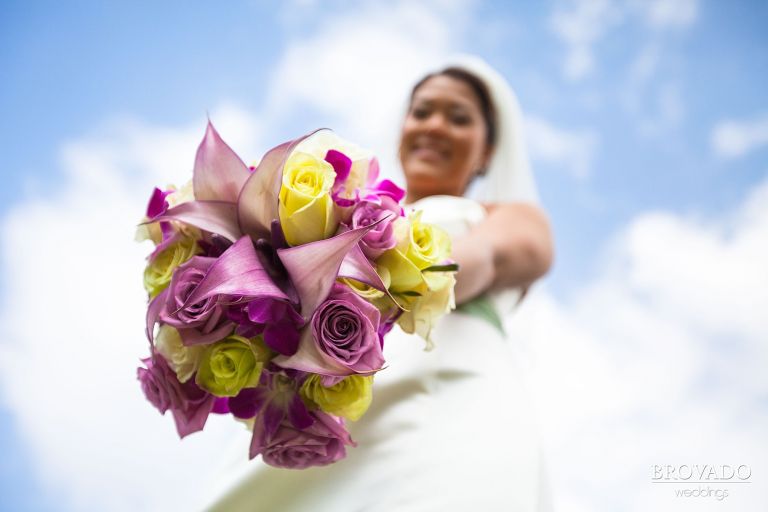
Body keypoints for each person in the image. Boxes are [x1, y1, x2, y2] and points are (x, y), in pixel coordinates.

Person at [200, 55, 554, 511]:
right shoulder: (346, 211)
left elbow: (488, 257)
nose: (435, 126)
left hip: (446, 397)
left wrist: (376, 292)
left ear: (487, 150)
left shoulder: (505, 216)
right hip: (324, 412)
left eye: (459, 117)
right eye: (422, 111)